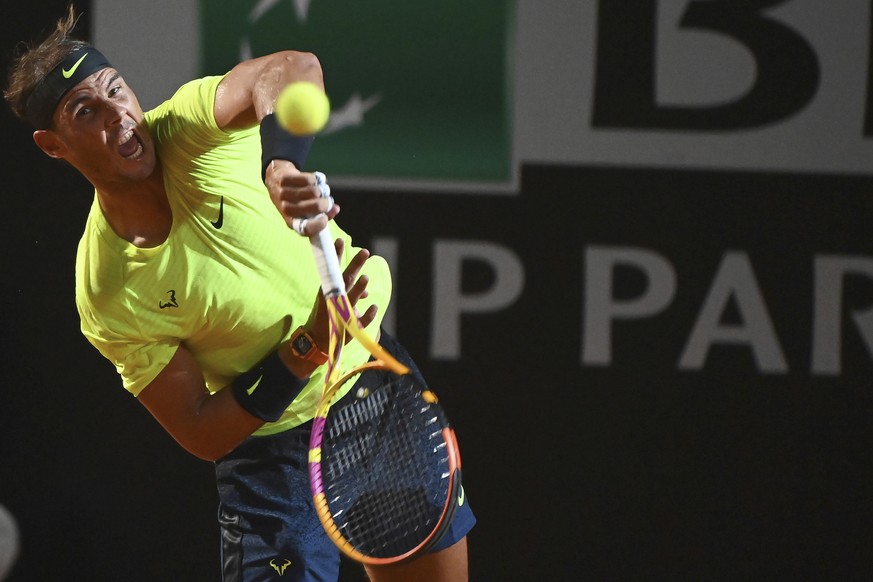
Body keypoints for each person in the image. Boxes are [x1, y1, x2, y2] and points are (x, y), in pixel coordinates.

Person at [4, 6, 474, 581]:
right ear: (54, 146)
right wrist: (305, 349)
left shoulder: (190, 126)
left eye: (116, 90)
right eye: (86, 111)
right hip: (272, 460)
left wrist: (279, 163)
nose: (121, 116)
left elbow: (293, 66)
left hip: (373, 396)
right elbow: (201, 429)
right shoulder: (108, 288)